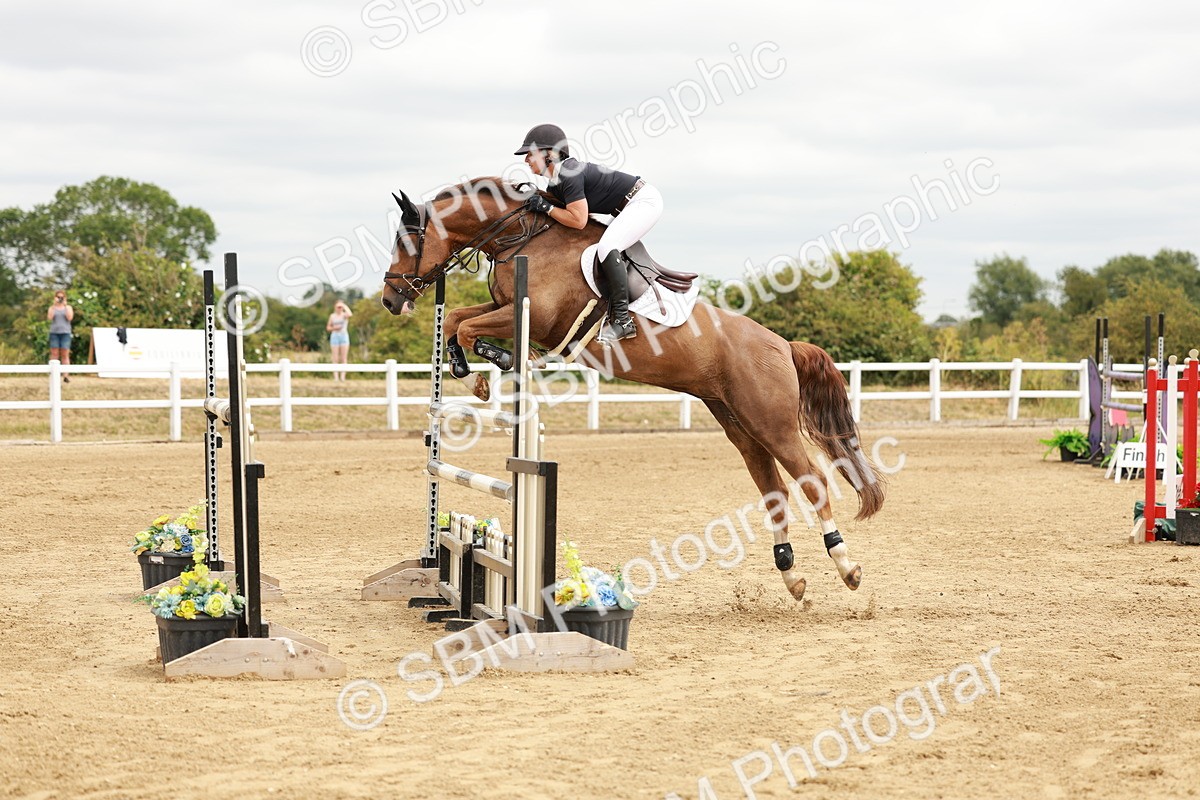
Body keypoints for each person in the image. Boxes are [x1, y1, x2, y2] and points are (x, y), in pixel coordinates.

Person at [514, 123, 663, 342]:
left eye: (530, 153)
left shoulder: (568, 174)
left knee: (606, 246)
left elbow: (578, 220)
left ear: (550, 155)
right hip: (624, 207)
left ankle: (623, 320)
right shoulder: (555, 184)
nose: (526, 159)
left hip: (643, 202)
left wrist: (547, 207)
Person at [46, 290, 74, 383]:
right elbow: (49, 317)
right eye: (58, 297)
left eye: (62, 297)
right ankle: (53, 374)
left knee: (65, 354)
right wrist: (54, 306)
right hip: (54, 332)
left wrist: (65, 306)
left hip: (65, 333)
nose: (60, 298)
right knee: (54, 353)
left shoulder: (68, 307)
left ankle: (65, 375)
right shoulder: (52, 308)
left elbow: (69, 317)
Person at [326, 300, 353, 381]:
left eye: (341, 307)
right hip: (335, 336)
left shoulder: (344, 315)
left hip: (344, 336)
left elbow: (350, 314)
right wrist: (335, 328)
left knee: (343, 358)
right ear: (335, 307)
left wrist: (344, 305)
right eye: (338, 307)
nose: (339, 308)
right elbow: (328, 327)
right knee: (335, 358)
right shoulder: (332, 316)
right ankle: (336, 377)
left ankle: (342, 377)